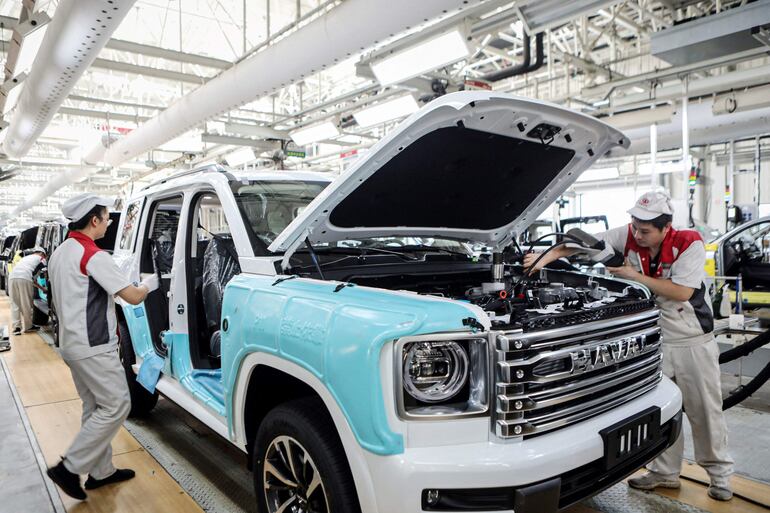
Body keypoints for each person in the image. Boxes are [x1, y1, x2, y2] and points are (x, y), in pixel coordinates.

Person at [524, 191, 734, 501]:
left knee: (705, 411)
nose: (637, 234)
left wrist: (632, 275)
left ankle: (719, 475)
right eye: (634, 226)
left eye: (645, 230)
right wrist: (550, 255)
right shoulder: (629, 235)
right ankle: (664, 473)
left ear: (666, 227)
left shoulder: (689, 242)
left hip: (692, 339)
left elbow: (682, 292)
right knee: (661, 408)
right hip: (655, 339)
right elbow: (583, 242)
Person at [45, 193, 159, 500]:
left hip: (71, 344)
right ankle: (69, 468)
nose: (109, 222)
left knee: (94, 406)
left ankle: (101, 471)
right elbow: (132, 297)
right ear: (94, 220)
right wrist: (150, 283)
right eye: (107, 217)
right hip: (94, 346)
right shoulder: (93, 255)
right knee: (118, 404)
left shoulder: (61, 252)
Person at [8, 246, 46, 335]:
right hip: (25, 278)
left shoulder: (25, 258)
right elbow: (37, 275)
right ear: (42, 254)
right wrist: (45, 288)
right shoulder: (41, 259)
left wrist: (42, 289)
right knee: (26, 303)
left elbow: (31, 279)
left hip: (12, 278)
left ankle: (16, 328)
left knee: (15, 303)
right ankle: (28, 326)